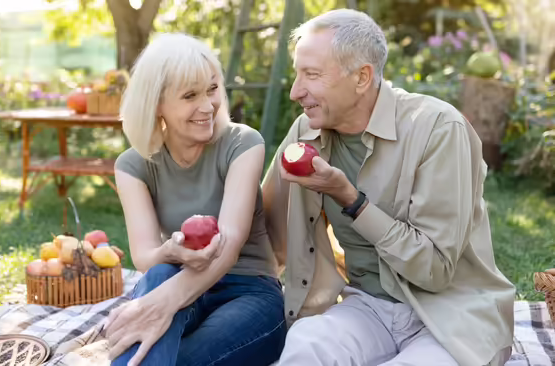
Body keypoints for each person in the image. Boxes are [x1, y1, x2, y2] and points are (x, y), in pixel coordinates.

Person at [261, 9, 516, 366]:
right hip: (368, 307)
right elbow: (267, 232)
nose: (295, 92)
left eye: (312, 75)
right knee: (305, 346)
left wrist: (351, 200)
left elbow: (435, 270)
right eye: (296, 74)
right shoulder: (307, 133)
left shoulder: (438, 129)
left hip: (451, 313)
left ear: (362, 77)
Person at [105, 33, 286, 366]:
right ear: (156, 103)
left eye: (212, 89)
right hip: (183, 285)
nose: (208, 106)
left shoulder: (243, 144)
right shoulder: (132, 166)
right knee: (159, 273)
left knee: (180, 358)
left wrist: (158, 304)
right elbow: (146, 256)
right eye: (190, 95)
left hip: (249, 291)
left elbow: (228, 246)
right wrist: (168, 253)